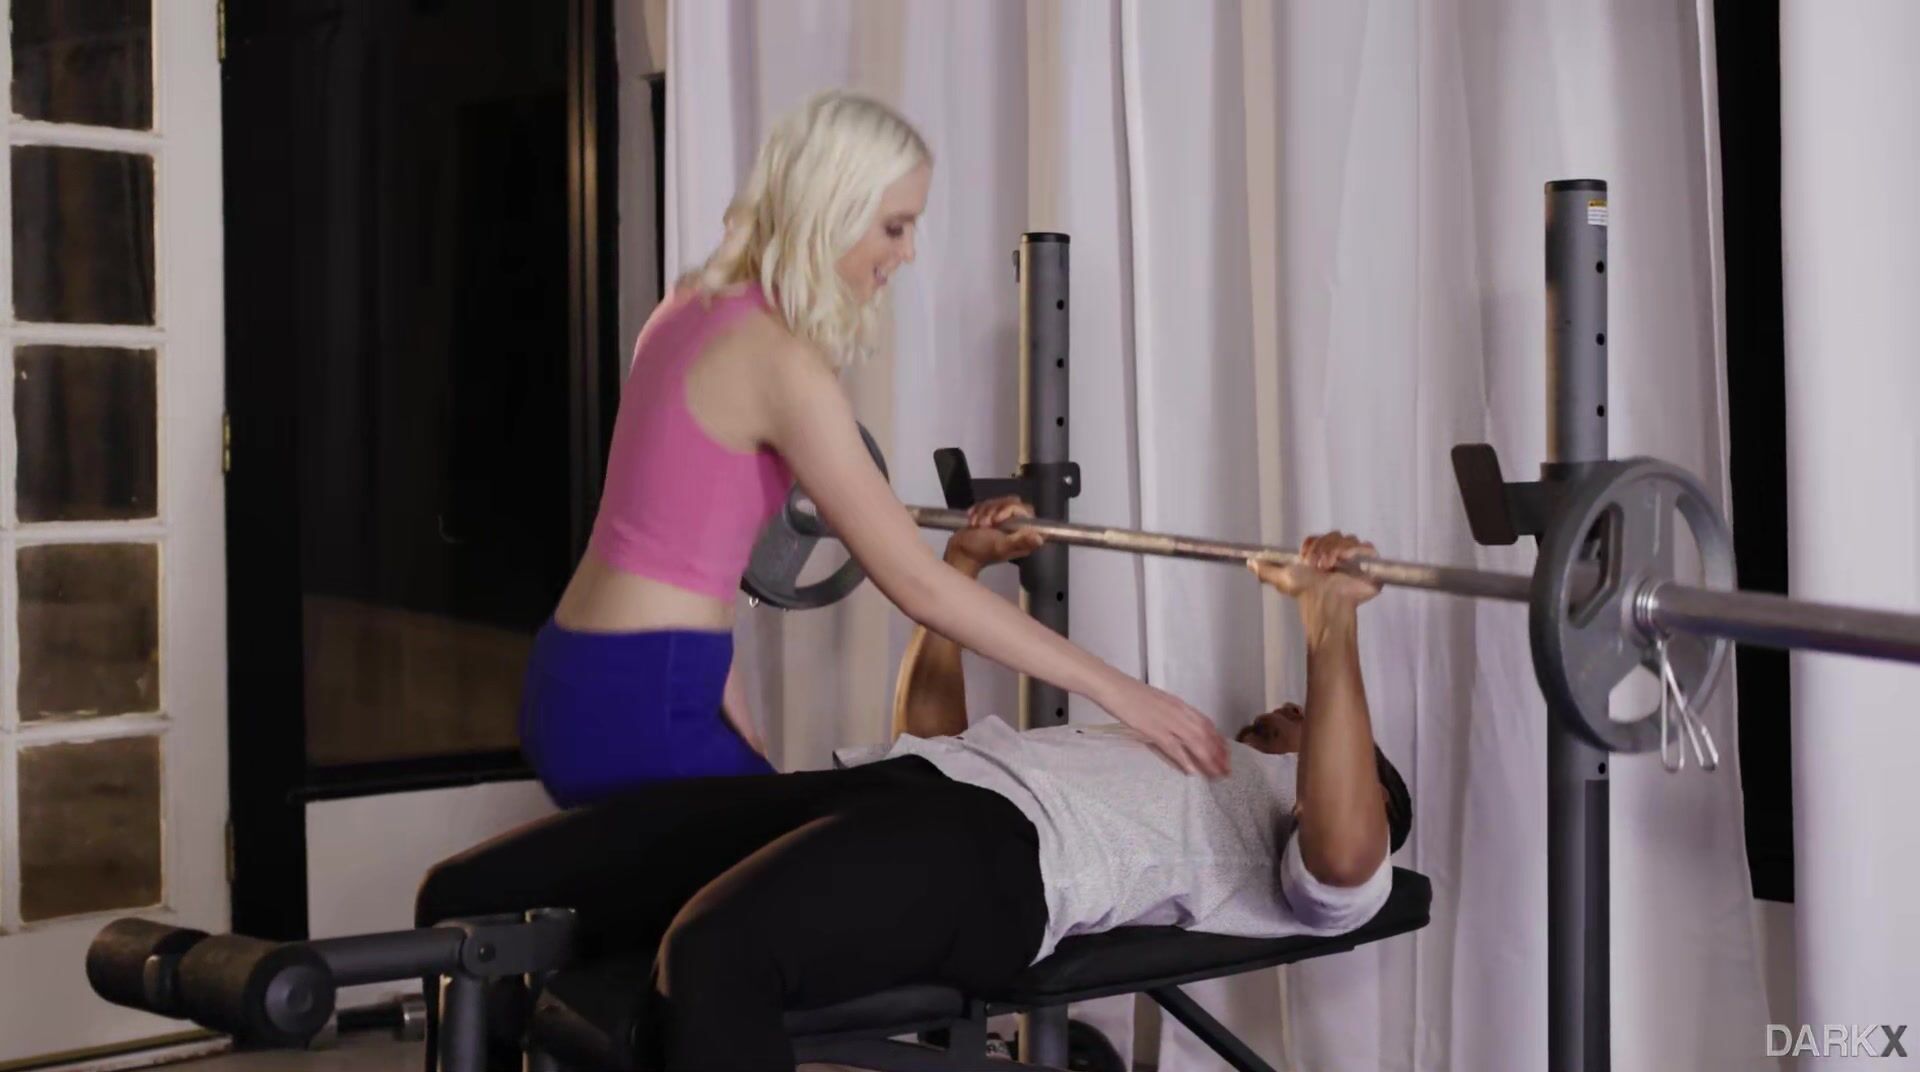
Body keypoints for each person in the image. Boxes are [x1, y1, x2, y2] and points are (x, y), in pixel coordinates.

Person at [417, 509, 1412, 1071]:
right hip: (889, 789)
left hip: (1002, 860)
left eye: (1308, 722)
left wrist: (1331, 629)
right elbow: (934, 740)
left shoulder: (1300, 827)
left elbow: (1342, 851)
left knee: (715, 953)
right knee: (471, 896)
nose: (1284, 709)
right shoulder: (1167, 744)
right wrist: (959, 570)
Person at [520, 88, 1226, 807]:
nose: (908, 251)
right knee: (802, 868)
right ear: (834, 208)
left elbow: (676, 534)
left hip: (576, 672)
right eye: (894, 226)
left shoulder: (687, 305)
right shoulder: (782, 363)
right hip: (645, 704)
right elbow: (917, 585)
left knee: (754, 851)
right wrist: (1123, 693)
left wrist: (730, 713)